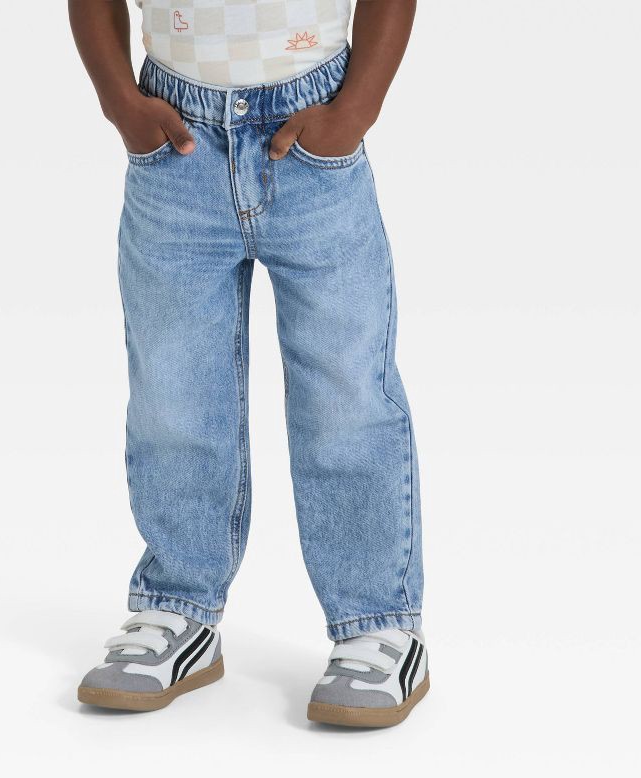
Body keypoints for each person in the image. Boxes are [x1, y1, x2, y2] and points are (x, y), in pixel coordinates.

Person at [69, 0, 427, 728]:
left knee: (344, 392)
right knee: (173, 390)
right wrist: (119, 104)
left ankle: (377, 623)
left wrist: (354, 111)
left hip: (313, 140)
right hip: (174, 147)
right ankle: (179, 607)